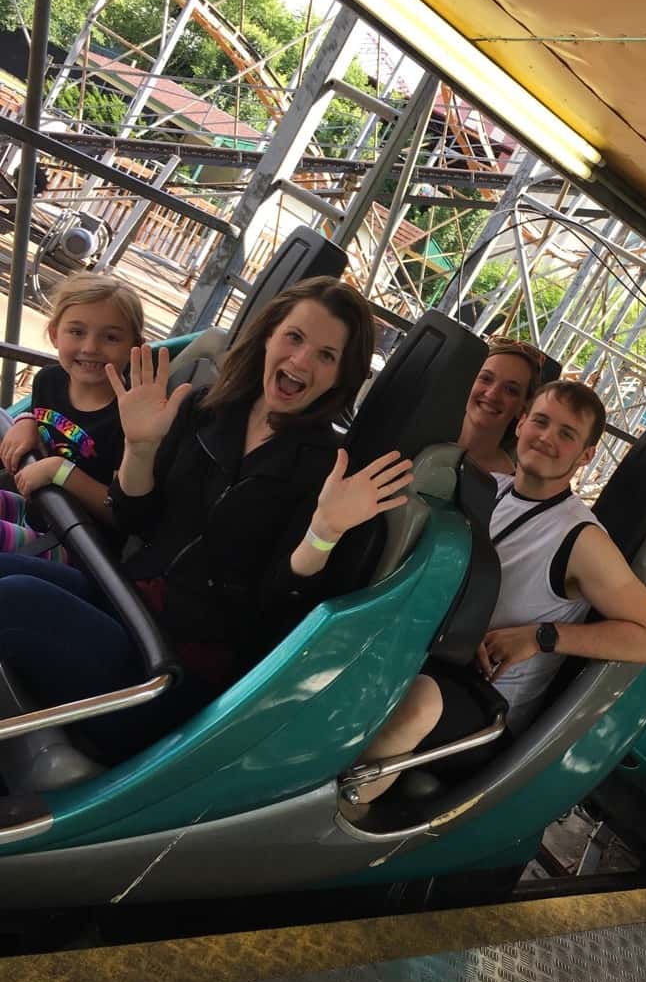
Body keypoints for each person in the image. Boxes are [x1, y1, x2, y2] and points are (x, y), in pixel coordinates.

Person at [0, 276, 413, 761]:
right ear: (267, 336)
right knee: (10, 570)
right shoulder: (205, 410)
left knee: (16, 598)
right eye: (294, 338)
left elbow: (276, 614)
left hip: (176, 672)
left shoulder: (332, 473)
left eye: (326, 355)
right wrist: (140, 447)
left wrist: (323, 534)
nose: (301, 361)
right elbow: (135, 519)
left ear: (341, 375)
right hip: (127, 603)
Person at [354, 379, 646, 801]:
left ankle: (337, 818)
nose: (546, 438)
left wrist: (541, 637)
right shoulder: (491, 489)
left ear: (586, 456)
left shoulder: (581, 540)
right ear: (521, 424)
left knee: (418, 700)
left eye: (566, 434)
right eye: (540, 422)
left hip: (488, 708)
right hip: (430, 654)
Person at [0, 272, 144, 559]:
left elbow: (119, 514)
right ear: (55, 334)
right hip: (37, 510)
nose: (90, 347)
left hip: (80, 546)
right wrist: (26, 421)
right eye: (77, 332)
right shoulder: (49, 380)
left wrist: (60, 471)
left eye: (111, 337)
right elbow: (46, 422)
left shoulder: (132, 418)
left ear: (133, 347)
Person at [458, 337, 543, 474]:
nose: (492, 394)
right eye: (486, 379)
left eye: (510, 390)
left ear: (522, 408)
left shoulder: (506, 487)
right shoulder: (422, 432)